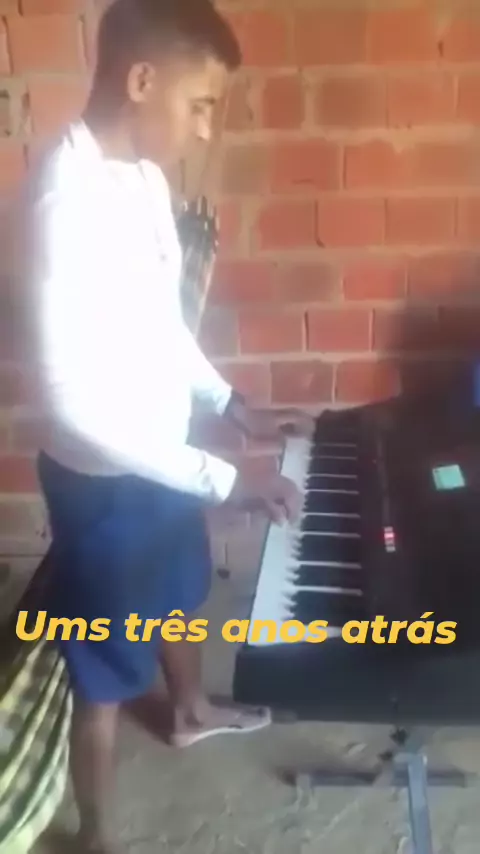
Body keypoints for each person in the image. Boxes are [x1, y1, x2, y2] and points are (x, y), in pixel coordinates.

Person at [24, 0, 315, 850]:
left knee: (181, 589)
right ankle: (98, 833)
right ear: (142, 80)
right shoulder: (63, 203)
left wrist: (229, 403)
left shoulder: (144, 180)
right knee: (104, 668)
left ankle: (188, 709)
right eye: (201, 104)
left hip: (164, 458)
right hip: (105, 486)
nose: (206, 128)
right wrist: (224, 476)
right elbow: (70, 402)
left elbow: (163, 325)